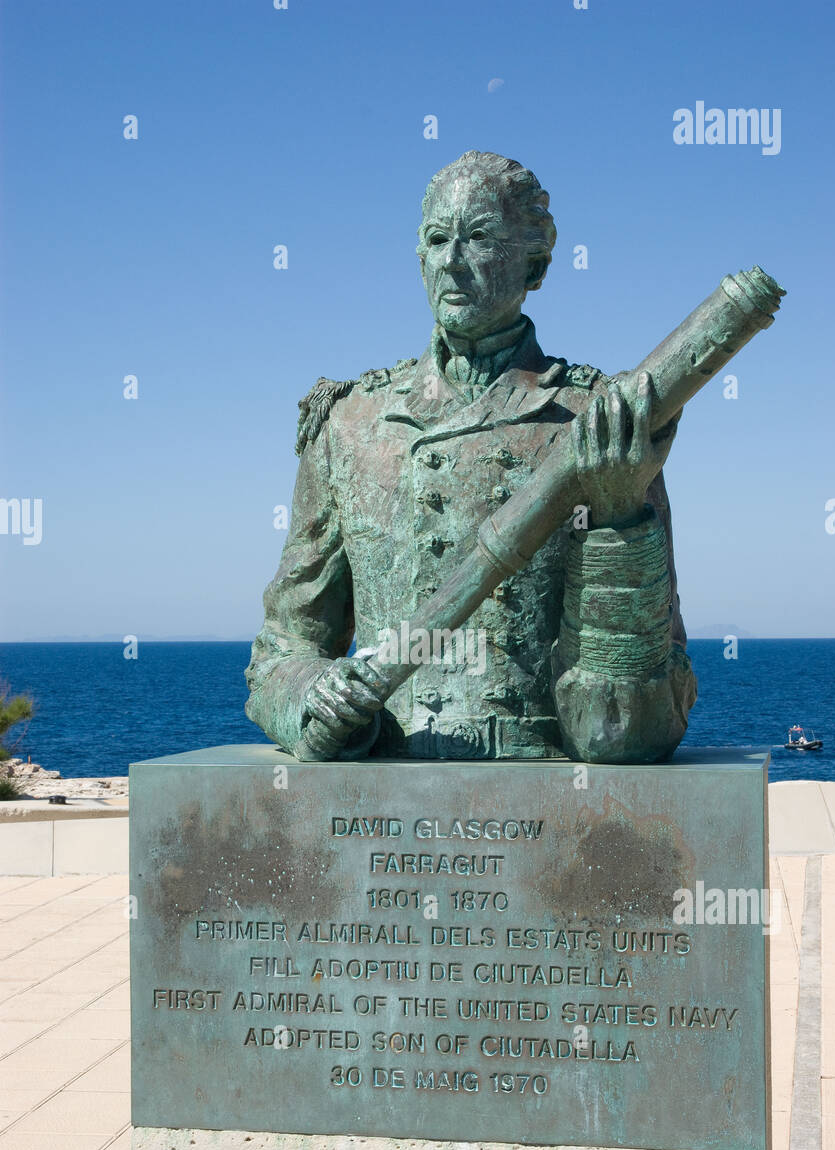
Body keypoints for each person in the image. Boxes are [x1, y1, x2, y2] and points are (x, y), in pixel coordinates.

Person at [246, 151, 696, 763]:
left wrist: (618, 515)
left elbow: (631, 733)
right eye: (437, 240)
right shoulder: (350, 423)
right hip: (390, 795)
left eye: (479, 238)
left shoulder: (596, 420)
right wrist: (316, 698)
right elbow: (285, 645)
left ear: (535, 262)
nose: (451, 263)